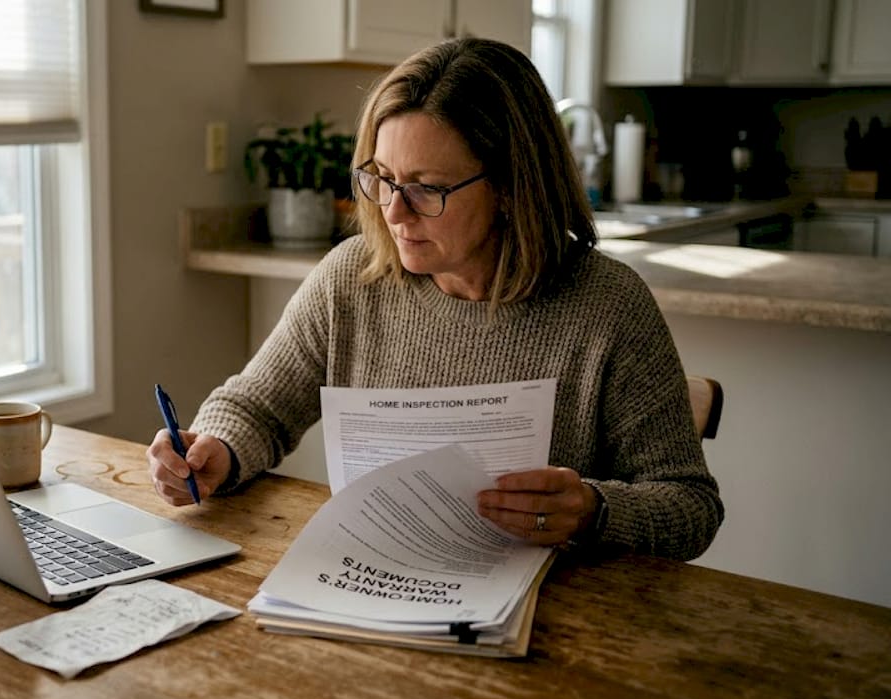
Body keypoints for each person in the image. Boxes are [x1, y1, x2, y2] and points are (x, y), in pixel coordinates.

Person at [146, 37, 723, 561]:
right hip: (377, 580)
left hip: (554, 624)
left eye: (426, 188)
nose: (393, 212)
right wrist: (213, 450)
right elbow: (258, 407)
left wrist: (594, 509)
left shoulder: (608, 306)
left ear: (508, 187)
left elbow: (690, 508)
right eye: (382, 177)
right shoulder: (353, 278)